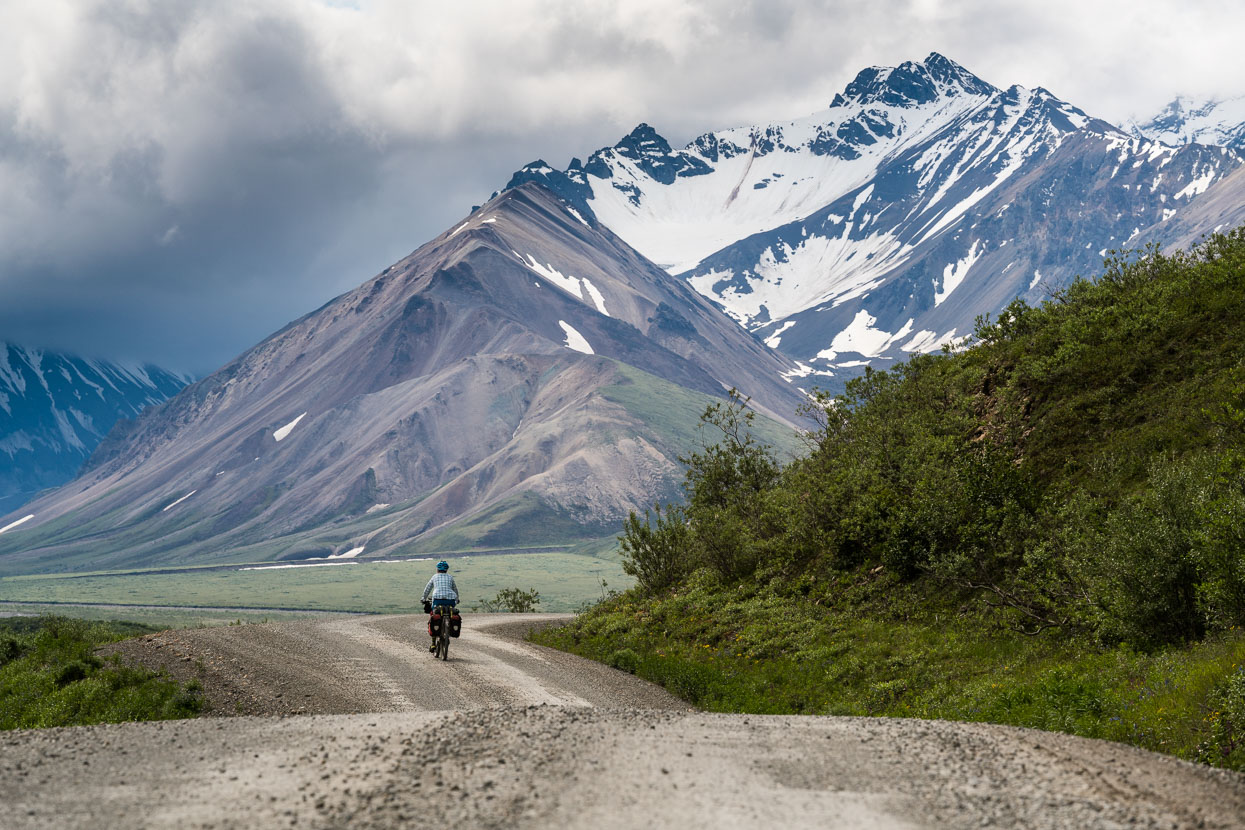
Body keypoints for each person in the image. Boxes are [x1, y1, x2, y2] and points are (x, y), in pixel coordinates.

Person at [421, 560, 459, 653]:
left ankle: (433, 643)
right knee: (451, 613)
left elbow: (428, 588)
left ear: (437, 569)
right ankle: (448, 630)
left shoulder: (434, 577)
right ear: (447, 570)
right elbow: (455, 589)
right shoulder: (450, 577)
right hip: (450, 600)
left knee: (433, 615)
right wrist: (457, 599)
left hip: (437, 600)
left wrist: (423, 598)